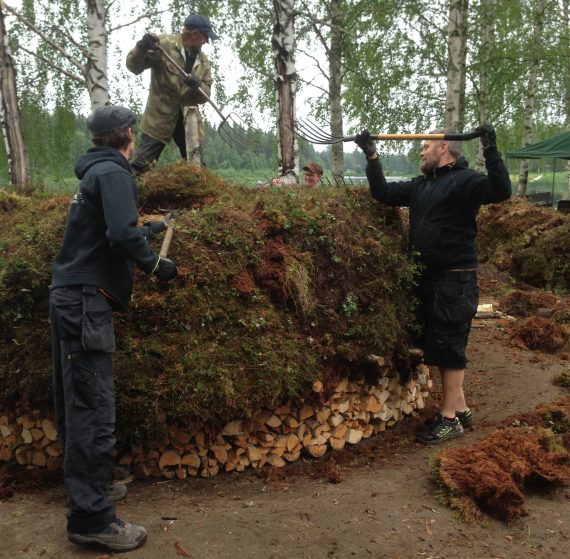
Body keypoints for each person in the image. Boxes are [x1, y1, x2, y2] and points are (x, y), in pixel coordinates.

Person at [50, 104, 178, 551]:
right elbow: (121, 239)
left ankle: (92, 490)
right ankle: (91, 518)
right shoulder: (116, 173)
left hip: (71, 295)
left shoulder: (94, 174)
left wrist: (151, 227)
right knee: (92, 408)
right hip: (86, 302)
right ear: (128, 134)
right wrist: (156, 264)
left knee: (76, 402)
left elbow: (113, 231)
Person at [354, 124, 511, 445]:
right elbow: (383, 193)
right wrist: (371, 156)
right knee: (439, 345)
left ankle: (449, 418)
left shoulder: (465, 182)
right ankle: (462, 409)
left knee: (451, 348)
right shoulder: (422, 185)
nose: (421, 150)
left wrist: (490, 148)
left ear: (443, 149)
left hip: (455, 280)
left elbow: (501, 190)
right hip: (428, 280)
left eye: (426, 145)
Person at [126, 14, 218, 174]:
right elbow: (133, 67)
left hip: (187, 121)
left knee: (197, 168)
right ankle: (127, 194)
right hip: (159, 119)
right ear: (195, 34)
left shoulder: (203, 61)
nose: (206, 41)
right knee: (141, 167)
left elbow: (206, 96)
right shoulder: (162, 45)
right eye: (205, 37)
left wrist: (199, 86)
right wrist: (140, 48)